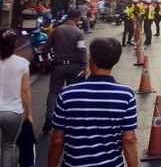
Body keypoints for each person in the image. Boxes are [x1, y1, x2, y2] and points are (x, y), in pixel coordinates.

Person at [48, 37, 138, 167]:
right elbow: (129, 140)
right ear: (116, 61)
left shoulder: (66, 94)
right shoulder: (126, 95)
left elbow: (57, 140)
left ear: (91, 59)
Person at [42, 9, 87, 133]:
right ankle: (71, 120)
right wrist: (84, 66)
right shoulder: (79, 32)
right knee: (73, 93)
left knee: (54, 93)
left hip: (58, 66)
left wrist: (48, 62)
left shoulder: (56, 31)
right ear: (77, 18)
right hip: (74, 67)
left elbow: (45, 49)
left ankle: (50, 117)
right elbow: (82, 51)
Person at [0, 29, 32, 167]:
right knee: (7, 146)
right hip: (12, 112)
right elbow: (25, 91)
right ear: (15, 44)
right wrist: (28, 113)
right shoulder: (22, 63)